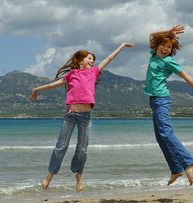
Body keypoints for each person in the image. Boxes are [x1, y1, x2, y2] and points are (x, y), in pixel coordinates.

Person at [30, 42, 135, 192]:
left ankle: (79, 177)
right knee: (61, 147)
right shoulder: (72, 74)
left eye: (93, 60)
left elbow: (110, 58)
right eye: (89, 58)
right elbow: (55, 84)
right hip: (71, 115)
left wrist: (122, 45)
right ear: (80, 61)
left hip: (86, 117)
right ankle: (49, 177)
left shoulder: (94, 72)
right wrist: (37, 89)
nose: (92, 61)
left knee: (82, 149)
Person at [143, 24, 193, 186]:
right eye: (163, 45)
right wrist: (168, 32)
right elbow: (151, 35)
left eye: (169, 47)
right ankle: (176, 169)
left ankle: (188, 163)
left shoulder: (169, 61)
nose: (165, 48)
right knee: (160, 137)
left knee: (166, 133)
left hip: (162, 99)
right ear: (157, 45)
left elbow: (185, 76)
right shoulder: (154, 54)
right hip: (154, 101)